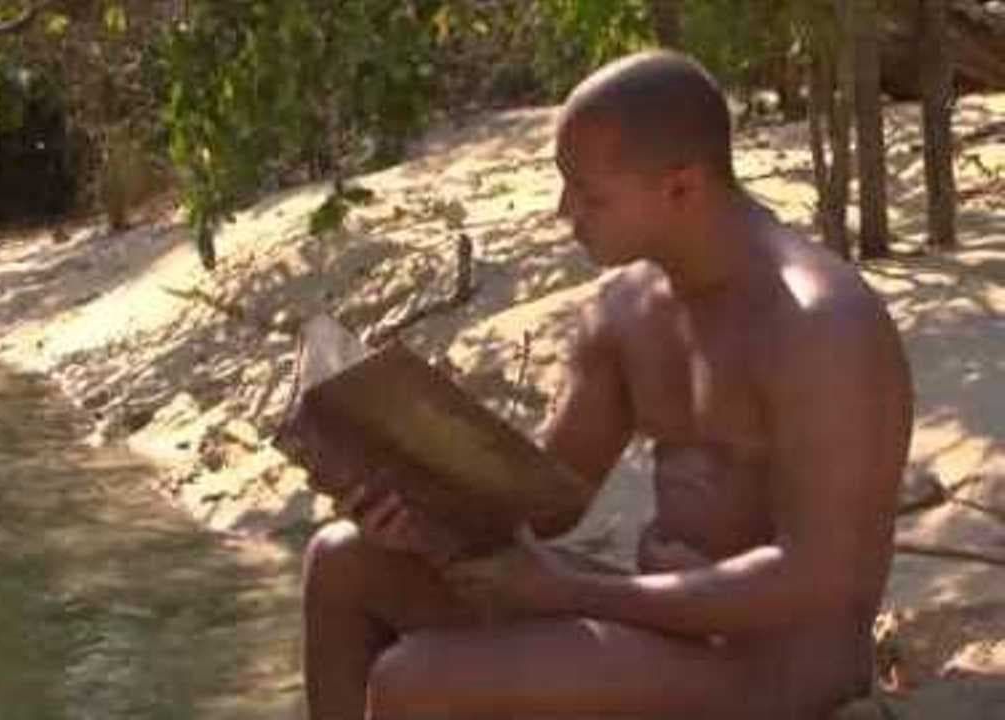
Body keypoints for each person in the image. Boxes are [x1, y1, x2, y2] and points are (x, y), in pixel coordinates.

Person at [300, 51, 914, 720]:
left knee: (416, 679)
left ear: (681, 189)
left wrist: (573, 592)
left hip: (777, 669)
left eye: (590, 195)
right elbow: (543, 509)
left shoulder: (819, 323)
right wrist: (415, 512)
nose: (566, 212)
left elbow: (818, 579)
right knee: (341, 562)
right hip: (660, 626)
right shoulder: (625, 313)